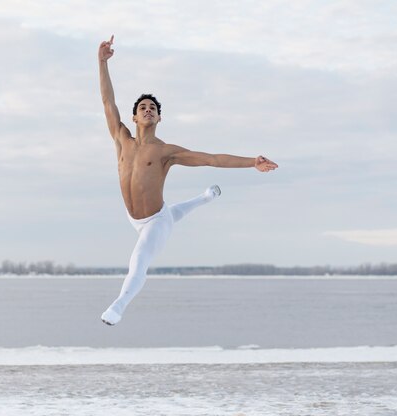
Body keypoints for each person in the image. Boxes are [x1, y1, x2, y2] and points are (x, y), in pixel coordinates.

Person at [98, 35, 278, 325]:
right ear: (133, 117)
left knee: (140, 258)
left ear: (158, 119)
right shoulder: (121, 139)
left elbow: (211, 158)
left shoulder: (165, 152)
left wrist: (251, 163)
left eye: (152, 109)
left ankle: (118, 306)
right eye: (142, 107)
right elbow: (107, 101)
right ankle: (206, 198)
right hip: (135, 217)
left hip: (156, 220)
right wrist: (102, 63)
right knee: (174, 213)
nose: (147, 110)